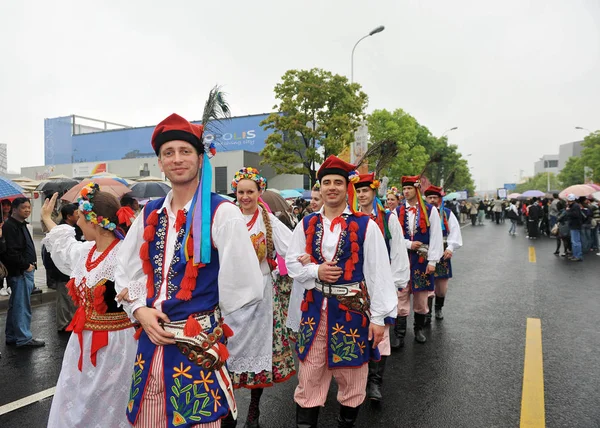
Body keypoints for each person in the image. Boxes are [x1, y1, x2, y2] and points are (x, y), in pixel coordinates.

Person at [115, 112, 264, 428]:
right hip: (150, 345)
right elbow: (125, 269)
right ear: (160, 162)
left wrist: (209, 329)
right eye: (168, 153)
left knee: (198, 421)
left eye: (185, 151)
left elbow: (247, 288)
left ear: (201, 158)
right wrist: (138, 309)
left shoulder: (224, 213)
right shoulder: (150, 213)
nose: (177, 159)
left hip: (196, 348)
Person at [285, 156, 397, 428]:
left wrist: (379, 318)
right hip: (314, 310)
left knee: (352, 377)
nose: (331, 187)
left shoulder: (366, 225)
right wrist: (315, 272)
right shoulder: (307, 223)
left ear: (347, 187)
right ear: (320, 188)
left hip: (352, 312)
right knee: (309, 375)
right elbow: (291, 262)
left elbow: (378, 273)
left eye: (338, 182)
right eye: (326, 183)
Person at [42, 186, 137, 427]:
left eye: (82, 218)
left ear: (94, 222)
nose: (78, 224)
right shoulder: (87, 252)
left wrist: (134, 293)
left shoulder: (126, 254)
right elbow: (65, 246)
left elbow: (148, 284)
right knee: (76, 399)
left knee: (110, 404)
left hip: (116, 344)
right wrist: (45, 218)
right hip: (81, 343)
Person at [225, 167, 295, 428]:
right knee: (226, 354)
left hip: (261, 298)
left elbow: (292, 246)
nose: (245, 196)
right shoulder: (226, 216)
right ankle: (228, 412)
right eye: (240, 191)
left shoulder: (268, 220)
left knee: (259, 355)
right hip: (230, 297)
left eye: (250, 191)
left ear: (259, 192)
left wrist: (306, 259)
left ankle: (253, 411)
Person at [354, 173, 409, 402]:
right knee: (357, 331)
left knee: (382, 333)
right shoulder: (351, 218)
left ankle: (375, 383)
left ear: (374, 192)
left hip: (380, 282)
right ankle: (358, 379)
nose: (361, 195)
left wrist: (395, 284)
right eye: (358, 191)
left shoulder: (388, 218)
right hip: (356, 285)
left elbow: (398, 251)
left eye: (366, 190)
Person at [392, 176, 443, 345]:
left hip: (422, 259)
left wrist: (433, 262)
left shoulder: (430, 210)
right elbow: (393, 237)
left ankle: (418, 329)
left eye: (409, 188)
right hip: (403, 260)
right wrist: (408, 244)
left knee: (421, 299)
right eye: (404, 189)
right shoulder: (396, 212)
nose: (406, 192)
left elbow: (436, 236)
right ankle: (399, 334)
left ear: (417, 189)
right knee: (401, 296)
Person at [2, 198, 44, 347]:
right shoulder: (10, 226)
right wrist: (26, 265)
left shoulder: (21, 225)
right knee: (22, 306)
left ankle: (12, 335)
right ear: (14, 209)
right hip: (20, 272)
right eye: (23, 207)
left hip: (23, 270)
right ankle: (24, 338)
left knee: (16, 305)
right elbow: (11, 252)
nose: (27, 210)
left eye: (28, 207)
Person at [41, 203, 85, 331]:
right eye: (77, 214)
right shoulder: (60, 230)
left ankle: (73, 323)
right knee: (65, 301)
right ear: (69, 216)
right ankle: (64, 325)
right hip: (62, 273)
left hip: (74, 272)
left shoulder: (77, 229)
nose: (79, 217)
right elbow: (51, 252)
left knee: (73, 301)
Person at [424, 186, 462, 322]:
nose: (432, 200)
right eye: (430, 198)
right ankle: (426, 313)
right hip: (425, 253)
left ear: (440, 199)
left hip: (442, 254)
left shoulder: (446, 213)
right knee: (426, 284)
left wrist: (451, 247)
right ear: (426, 199)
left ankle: (438, 307)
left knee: (441, 287)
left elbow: (455, 232)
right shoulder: (421, 214)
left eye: (435, 198)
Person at [565, 194, 583, 261]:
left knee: (576, 242)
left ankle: (578, 256)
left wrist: (568, 211)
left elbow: (575, 215)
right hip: (574, 225)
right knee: (574, 241)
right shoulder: (574, 205)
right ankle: (575, 255)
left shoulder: (575, 206)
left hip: (575, 225)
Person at [0, 199, 12, 296]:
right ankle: (0, 287)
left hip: (9, 245)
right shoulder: (1, 218)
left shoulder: (12, 218)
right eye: (4, 205)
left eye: (8, 205)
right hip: (1, 246)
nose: (6, 207)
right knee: (1, 267)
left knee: (9, 266)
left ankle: (9, 286)